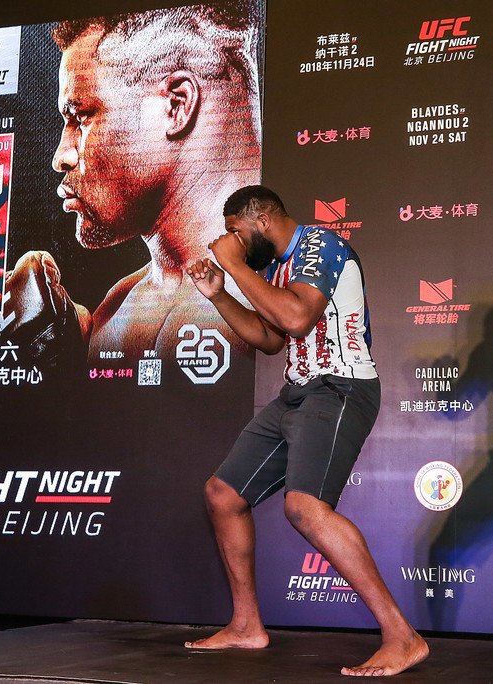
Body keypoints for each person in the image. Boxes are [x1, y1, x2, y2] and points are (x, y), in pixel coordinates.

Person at [184, 186, 429, 677]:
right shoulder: (274, 266)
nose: (228, 240)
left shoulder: (321, 245)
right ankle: (247, 625)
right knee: (223, 494)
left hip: (340, 389)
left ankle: (403, 637)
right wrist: (219, 296)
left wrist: (235, 266)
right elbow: (271, 339)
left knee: (304, 508)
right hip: (297, 392)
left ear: (262, 218)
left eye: (235, 231)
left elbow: (297, 317)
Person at [2, 3, 260, 363]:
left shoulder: (284, 281)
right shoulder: (115, 310)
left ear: (176, 106)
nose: (61, 157)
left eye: (82, 117)